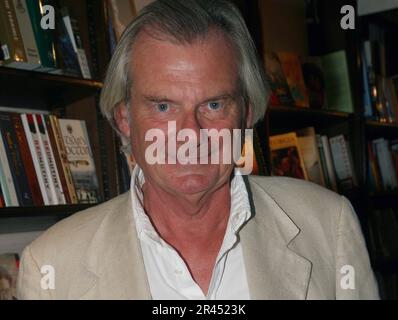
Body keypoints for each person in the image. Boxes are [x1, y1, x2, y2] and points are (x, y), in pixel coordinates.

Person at [17, 0, 379, 299]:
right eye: (163, 106)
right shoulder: (50, 265)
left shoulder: (329, 225)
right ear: (124, 118)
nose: (190, 134)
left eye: (214, 105)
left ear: (247, 112)